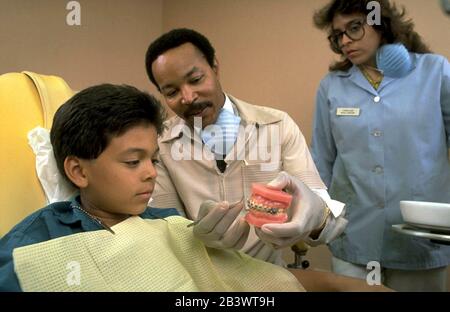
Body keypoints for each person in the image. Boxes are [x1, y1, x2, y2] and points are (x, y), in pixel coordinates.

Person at [145, 28, 347, 264]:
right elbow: (166, 227)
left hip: (268, 276)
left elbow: (329, 224)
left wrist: (315, 217)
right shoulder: (160, 143)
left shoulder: (278, 126)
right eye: (171, 92)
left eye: (196, 79)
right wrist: (191, 236)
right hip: (200, 278)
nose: (188, 97)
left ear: (215, 66)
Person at [311, 0, 450, 291]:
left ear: (381, 24)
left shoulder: (434, 72)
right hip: (354, 235)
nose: (345, 40)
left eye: (354, 28)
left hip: (419, 237)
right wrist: (313, 221)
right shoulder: (333, 85)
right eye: (338, 35)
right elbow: (321, 161)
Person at [0, 84, 179, 291]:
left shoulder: (170, 226)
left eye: (154, 160)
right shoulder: (31, 247)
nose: (152, 173)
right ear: (79, 172)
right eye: (132, 161)